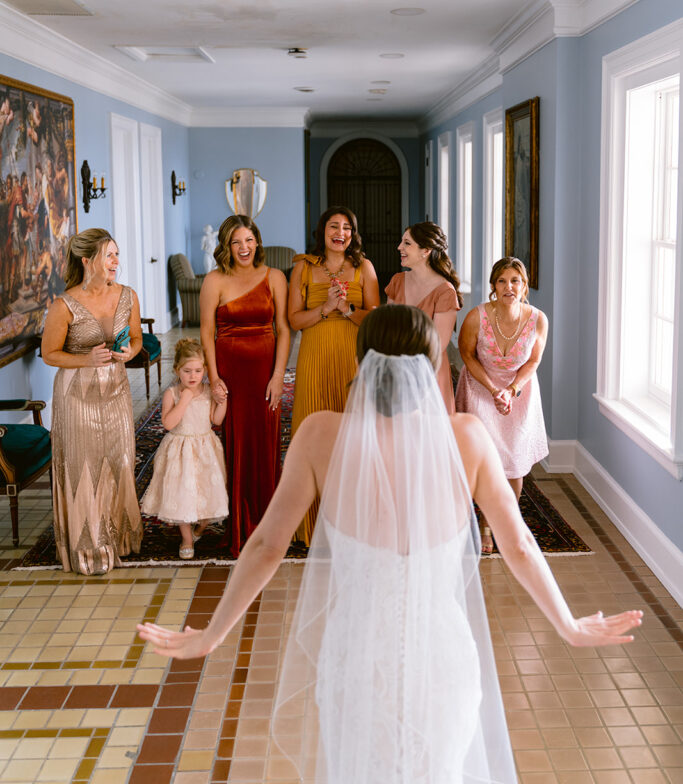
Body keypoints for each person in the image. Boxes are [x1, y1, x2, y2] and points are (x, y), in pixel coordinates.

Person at [137, 305, 642, 784]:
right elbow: (521, 546)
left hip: (358, 657)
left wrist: (212, 634)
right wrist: (568, 625)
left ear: (362, 361)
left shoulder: (319, 435)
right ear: (430, 366)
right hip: (441, 658)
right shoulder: (468, 437)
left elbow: (268, 544)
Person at [41, 228, 143, 574]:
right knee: (85, 465)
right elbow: (49, 354)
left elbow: (137, 338)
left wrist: (130, 351)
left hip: (116, 390)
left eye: (117, 254)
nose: (116, 261)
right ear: (88, 261)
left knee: (120, 459)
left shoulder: (128, 296)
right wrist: (87, 360)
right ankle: (89, 547)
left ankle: (121, 539)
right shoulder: (64, 304)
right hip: (77, 396)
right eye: (109, 255)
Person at [288, 205, 380, 544]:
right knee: (311, 435)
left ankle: (354, 523)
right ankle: (312, 525)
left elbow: (374, 318)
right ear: (322, 231)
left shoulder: (364, 268)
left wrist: (346, 309)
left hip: (352, 358)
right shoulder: (302, 267)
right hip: (314, 356)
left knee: (353, 438)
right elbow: (294, 321)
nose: (339, 232)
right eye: (333, 226)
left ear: (353, 235)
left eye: (346, 227)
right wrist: (325, 308)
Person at [200, 215, 289, 557]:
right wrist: (213, 375)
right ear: (226, 246)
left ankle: (268, 524)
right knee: (236, 443)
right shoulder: (214, 280)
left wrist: (279, 375)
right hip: (231, 370)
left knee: (265, 442)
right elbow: (207, 332)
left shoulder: (275, 277)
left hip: (266, 369)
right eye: (236, 242)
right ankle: (240, 525)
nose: (244, 248)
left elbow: (283, 328)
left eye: (249, 240)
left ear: (258, 242)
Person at [456, 256, 548, 554]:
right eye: (502, 281)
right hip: (482, 387)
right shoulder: (476, 317)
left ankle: (505, 520)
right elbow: (467, 356)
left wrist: (511, 389)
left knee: (514, 462)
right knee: (487, 461)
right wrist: (495, 389)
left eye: (515, 281)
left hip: (518, 393)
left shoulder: (538, 319)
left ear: (524, 286)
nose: (509, 287)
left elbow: (534, 360)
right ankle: (484, 523)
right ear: (494, 286)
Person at [140, 338, 228, 559]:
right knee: (182, 495)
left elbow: (216, 420)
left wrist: (223, 401)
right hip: (180, 451)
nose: (193, 376)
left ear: (205, 371)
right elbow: (168, 424)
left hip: (205, 448)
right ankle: (187, 538)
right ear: (177, 370)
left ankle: (200, 529)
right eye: (187, 371)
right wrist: (184, 400)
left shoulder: (208, 391)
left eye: (198, 371)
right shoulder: (173, 394)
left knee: (210, 493)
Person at [386, 220, 462, 411]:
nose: (399, 247)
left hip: (429, 372)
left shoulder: (445, 291)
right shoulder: (397, 281)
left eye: (407, 243)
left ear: (425, 250)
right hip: (396, 367)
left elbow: (437, 344)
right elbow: (387, 328)